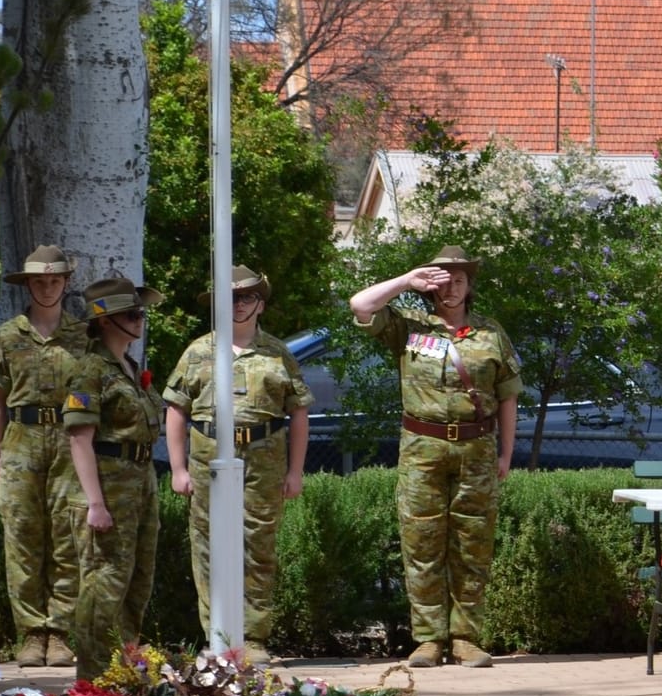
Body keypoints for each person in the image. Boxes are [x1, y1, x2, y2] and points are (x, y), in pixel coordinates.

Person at [348, 246, 521, 668]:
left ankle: (465, 638)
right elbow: (361, 305)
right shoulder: (409, 326)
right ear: (431, 286)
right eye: (442, 280)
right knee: (421, 542)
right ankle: (428, 639)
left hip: (476, 450)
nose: (451, 288)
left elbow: (508, 396)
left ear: (470, 285)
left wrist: (506, 453)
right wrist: (407, 280)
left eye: (459, 280)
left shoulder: (491, 333)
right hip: (422, 449)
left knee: (472, 544)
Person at [163, 266, 314, 665]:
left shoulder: (277, 352)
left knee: (258, 547)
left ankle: (255, 637)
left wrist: (295, 471)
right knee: (208, 545)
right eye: (230, 298)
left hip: (265, 458)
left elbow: (299, 412)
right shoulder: (198, 351)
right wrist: (178, 469)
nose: (238, 304)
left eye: (247, 297)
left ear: (260, 305)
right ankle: (218, 635)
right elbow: (176, 410)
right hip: (208, 456)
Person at [0, 245, 87, 668]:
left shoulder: (83, 336)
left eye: (54, 280)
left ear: (65, 283)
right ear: (27, 285)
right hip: (21, 439)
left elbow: (92, 395)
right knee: (22, 537)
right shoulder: (9, 334)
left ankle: (59, 632)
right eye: (39, 281)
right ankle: (31, 633)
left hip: (69, 440)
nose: (47, 287)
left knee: (67, 537)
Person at [63, 275, 166, 682]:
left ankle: (122, 673)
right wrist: (95, 504)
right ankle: (92, 682)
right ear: (105, 321)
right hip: (107, 488)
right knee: (104, 586)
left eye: (140, 313)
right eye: (131, 314)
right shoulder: (91, 369)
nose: (140, 319)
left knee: (137, 582)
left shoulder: (129, 368)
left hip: (139, 485)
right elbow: (79, 438)